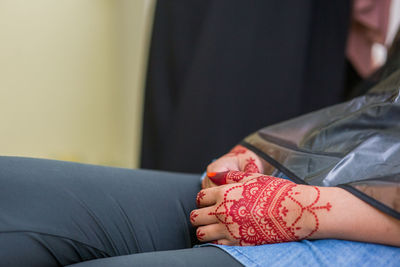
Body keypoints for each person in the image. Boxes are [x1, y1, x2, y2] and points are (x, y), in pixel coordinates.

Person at [1, 19, 400, 267]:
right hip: (330, 182)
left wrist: (312, 211)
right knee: (10, 192)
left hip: (363, 227)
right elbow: (377, 109)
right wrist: (262, 155)